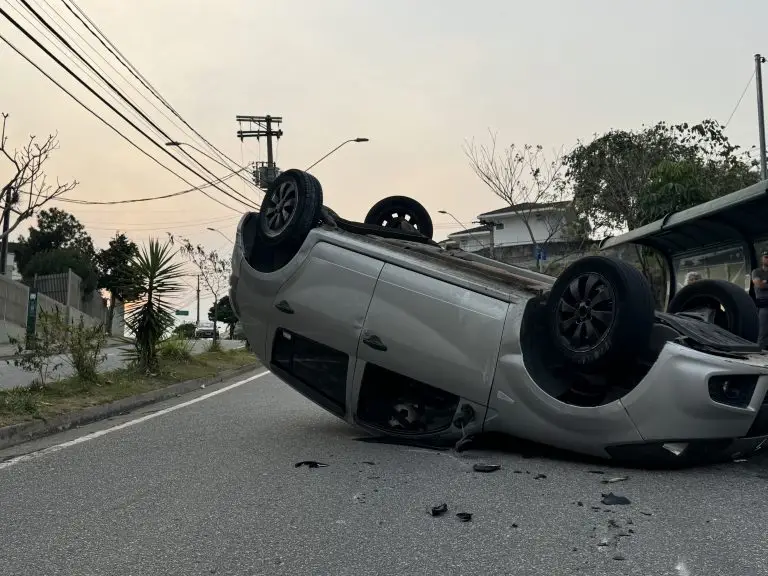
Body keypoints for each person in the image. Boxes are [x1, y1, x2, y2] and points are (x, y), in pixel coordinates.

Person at [751, 250, 768, 348]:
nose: (767, 259)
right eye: (766, 257)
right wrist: (763, 283)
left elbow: (762, 284)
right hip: (764, 304)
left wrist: (765, 283)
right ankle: (760, 349)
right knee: (763, 330)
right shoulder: (757, 271)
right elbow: (758, 284)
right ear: (762, 258)